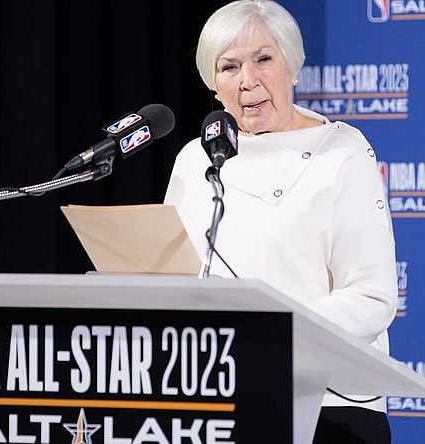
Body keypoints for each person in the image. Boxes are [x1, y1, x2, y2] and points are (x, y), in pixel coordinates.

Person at [163, 1, 398, 443]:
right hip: (214, 402)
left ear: (292, 66)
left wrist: (270, 336)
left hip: (327, 409)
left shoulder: (341, 151)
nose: (248, 80)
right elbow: (172, 279)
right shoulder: (195, 159)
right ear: (214, 86)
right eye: (229, 67)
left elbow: (372, 297)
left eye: (264, 59)